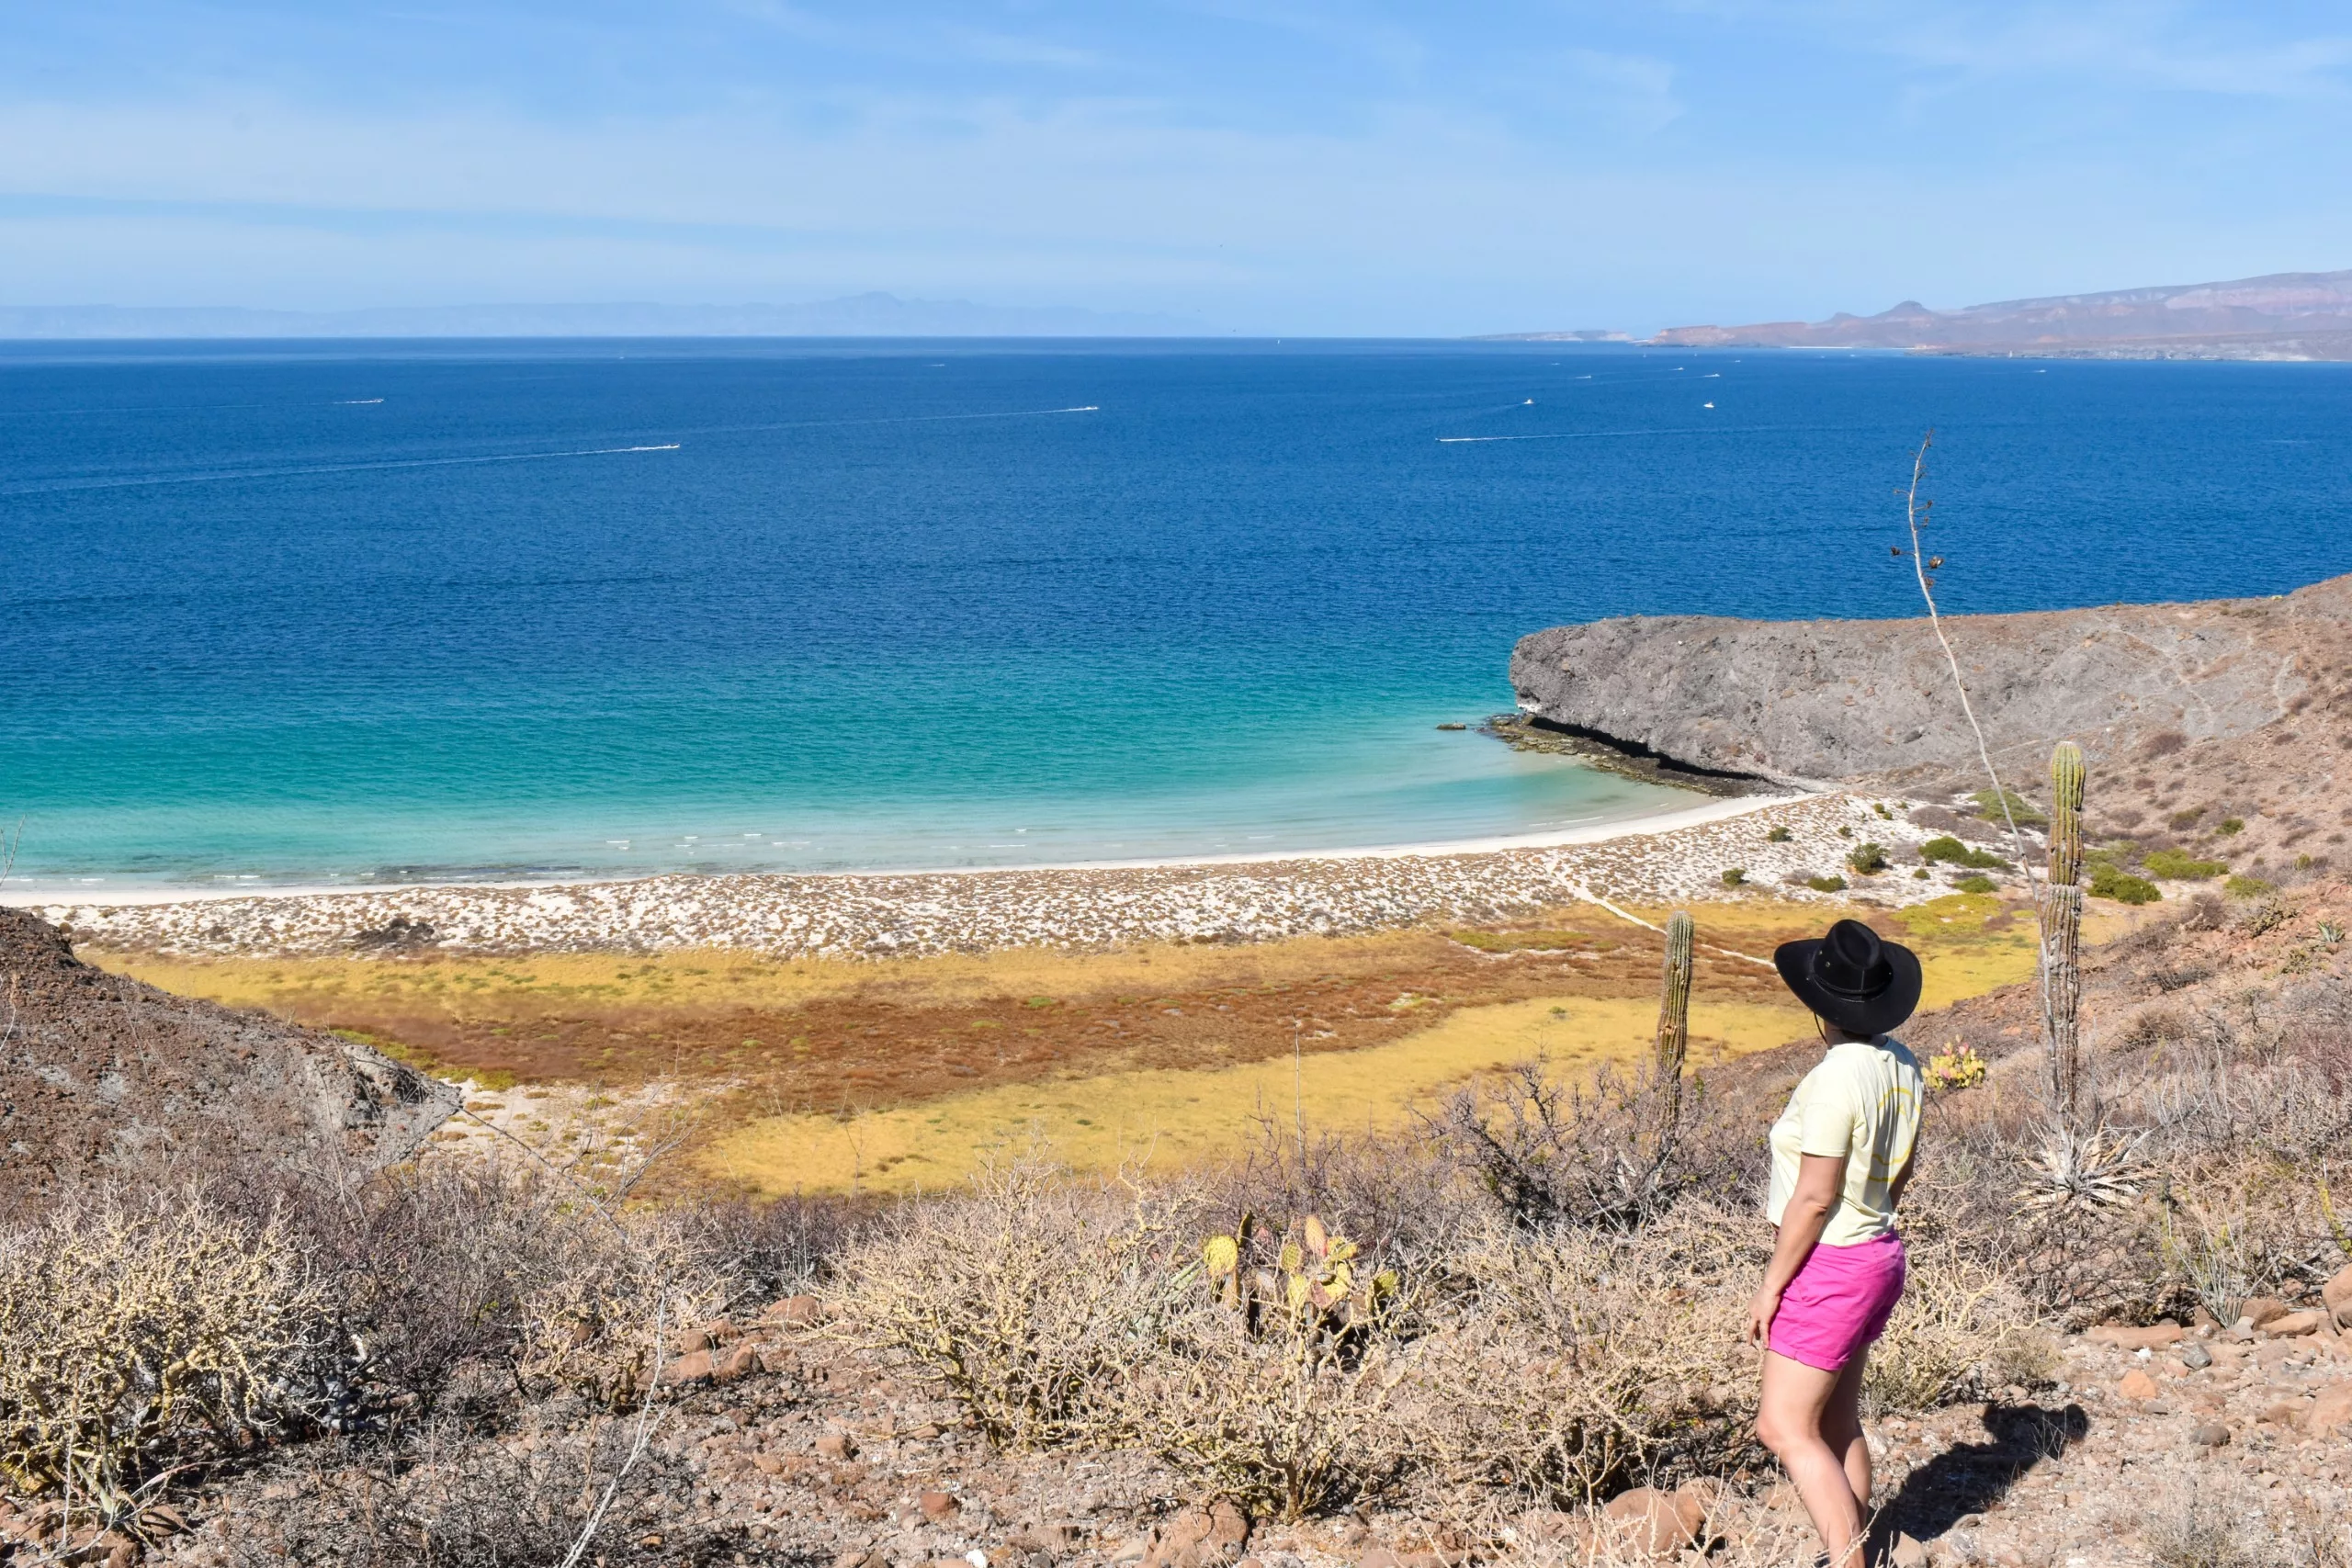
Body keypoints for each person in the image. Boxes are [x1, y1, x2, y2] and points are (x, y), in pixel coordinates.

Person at [1746, 919, 1927, 1567]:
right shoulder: (1902, 1064)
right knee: (1836, 1421)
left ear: (1821, 1007)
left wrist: (1772, 1284)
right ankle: (1862, 1546)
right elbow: (1900, 1168)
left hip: (1831, 1266)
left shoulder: (1833, 1079)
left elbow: (1816, 1196)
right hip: (1878, 1253)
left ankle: (1848, 1558)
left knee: (1785, 1425)